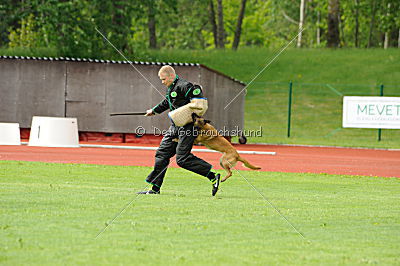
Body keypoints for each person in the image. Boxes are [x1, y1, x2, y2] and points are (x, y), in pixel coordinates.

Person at [137, 65, 221, 196]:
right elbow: (167, 102)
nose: (162, 82)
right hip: (175, 127)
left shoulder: (184, 85)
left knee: (182, 159)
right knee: (162, 153)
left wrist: (197, 102)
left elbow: (197, 93)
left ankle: (212, 176)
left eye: (163, 79)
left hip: (188, 127)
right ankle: (155, 189)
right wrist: (154, 111)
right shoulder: (171, 88)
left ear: (171, 76)